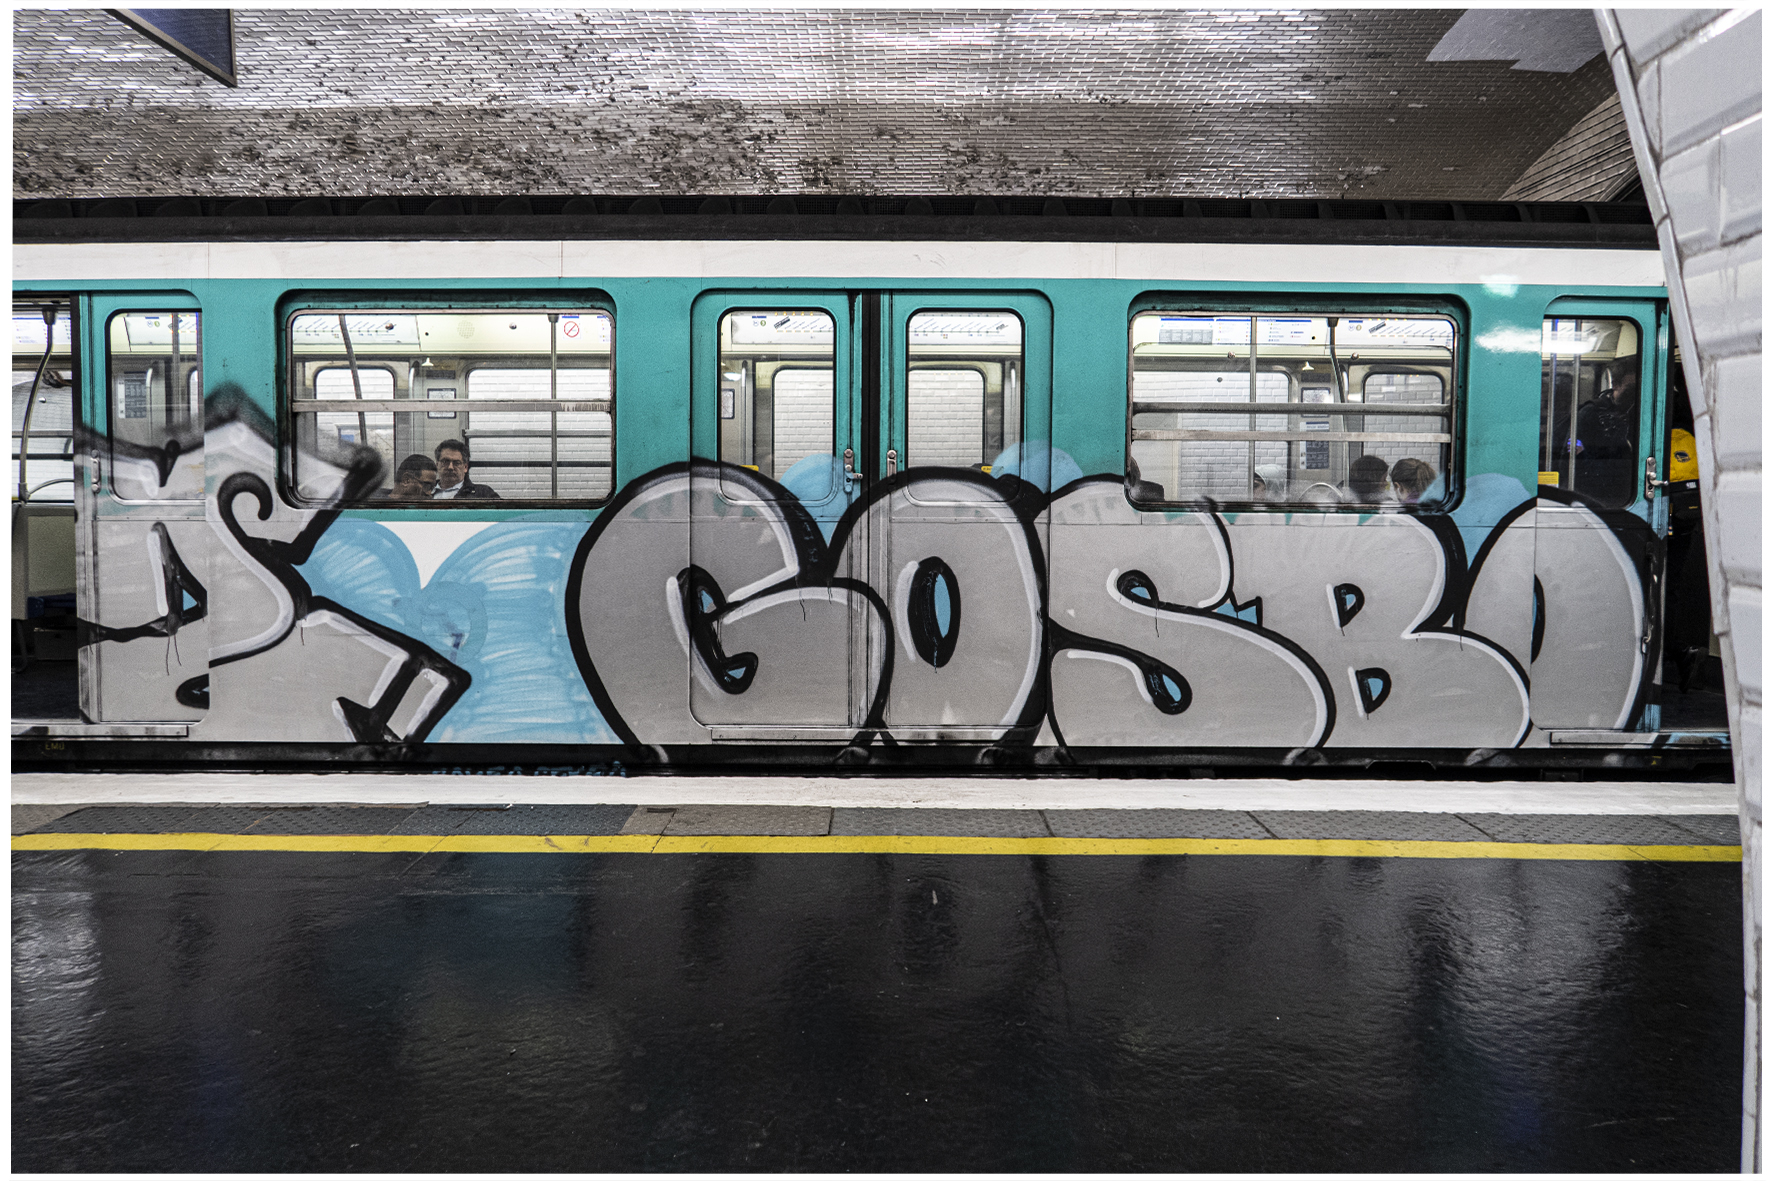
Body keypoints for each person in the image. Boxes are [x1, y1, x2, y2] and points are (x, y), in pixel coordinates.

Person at [432, 438, 500, 500]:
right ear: (437, 465)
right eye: (445, 462)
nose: (450, 467)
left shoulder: (484, 494)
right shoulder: (427, 491)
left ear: (465, 467)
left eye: (456, 463)